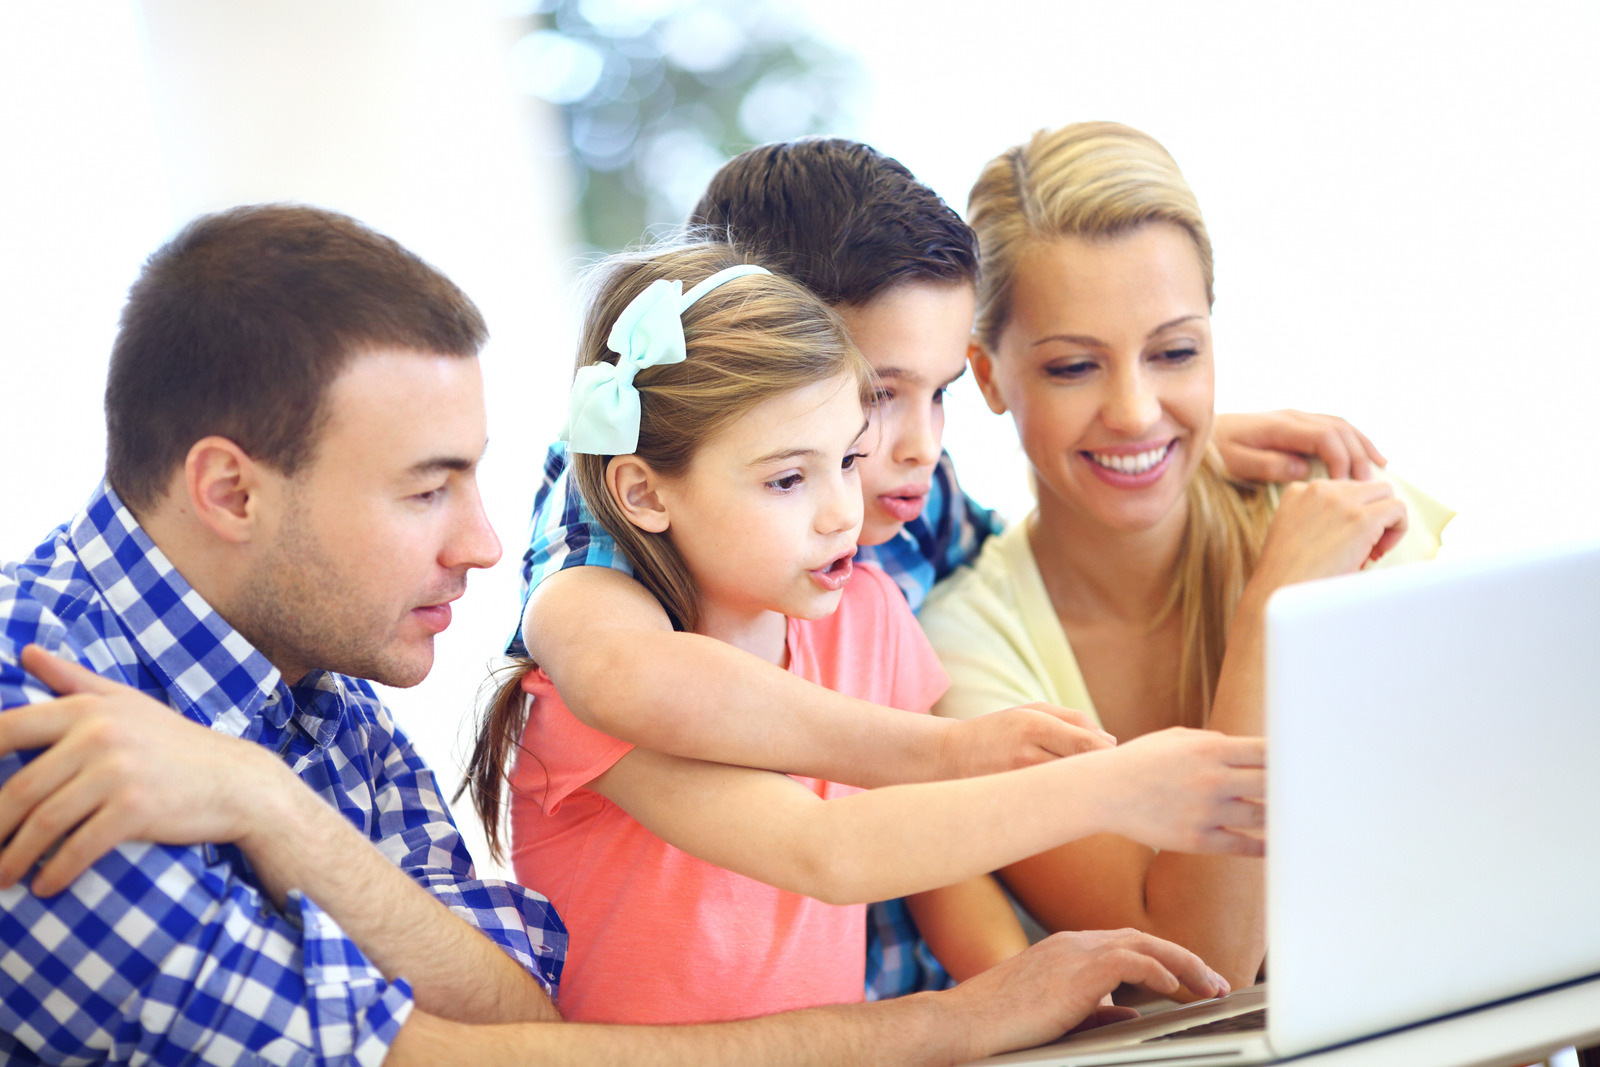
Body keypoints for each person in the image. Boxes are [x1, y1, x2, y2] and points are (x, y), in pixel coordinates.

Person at [0, 202, 1241, 1067]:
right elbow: (404, 1052)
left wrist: (268, 805)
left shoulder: (323, 703)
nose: (486, 542)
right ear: (229, 489)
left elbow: (509, 1009)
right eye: (426, 489)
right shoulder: (33, 700)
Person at [499, 137, 1395, 1000]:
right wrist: (955, 752)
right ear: (761, 344)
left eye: (942, 394)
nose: (919, 447)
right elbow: (622, 671)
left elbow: (1035, 543)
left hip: (898, 1008)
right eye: (877, 394)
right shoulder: (620, 504)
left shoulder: (901, 526)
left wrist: (1163, 445)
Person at [918, 121, 1455, 991]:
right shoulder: (966, 647)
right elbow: (1199, 967)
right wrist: (1273, 615)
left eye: (1174, 352)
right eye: (1073, 367)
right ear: (985, 376)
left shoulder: (1347, 518)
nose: (1135, 410)